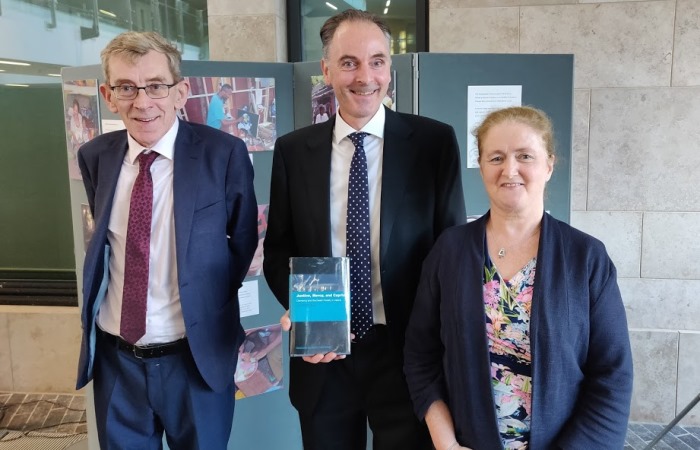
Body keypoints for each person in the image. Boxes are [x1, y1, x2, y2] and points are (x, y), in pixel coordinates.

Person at [263, 9, 466, 450]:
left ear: (390, 68)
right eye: (349, 62)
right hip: (323, 355)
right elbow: (278, 250)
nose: (365, 77)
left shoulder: (432, 144)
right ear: (326, 70)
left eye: (376, 61)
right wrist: (302, 308)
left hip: (407, 353)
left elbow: (452, 251)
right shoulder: (294, 151)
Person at [404, 106, 634, 450]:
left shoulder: (585, 257)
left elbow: (612, 376)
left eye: (525, 156)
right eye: (496, 158)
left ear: (549, 165)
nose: (509, 170)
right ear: (481, 166)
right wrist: (447, 444)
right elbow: (420, 357)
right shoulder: (449, 251)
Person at [75, 31, 258, 450]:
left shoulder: (223, 154)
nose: (142, 102)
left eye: (156, 86)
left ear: (181, 92)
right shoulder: (95, 156)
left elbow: (242, 242)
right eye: (126, 87)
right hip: (117, 362)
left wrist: (204, 302)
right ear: (108, 95)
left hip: (194, 359)